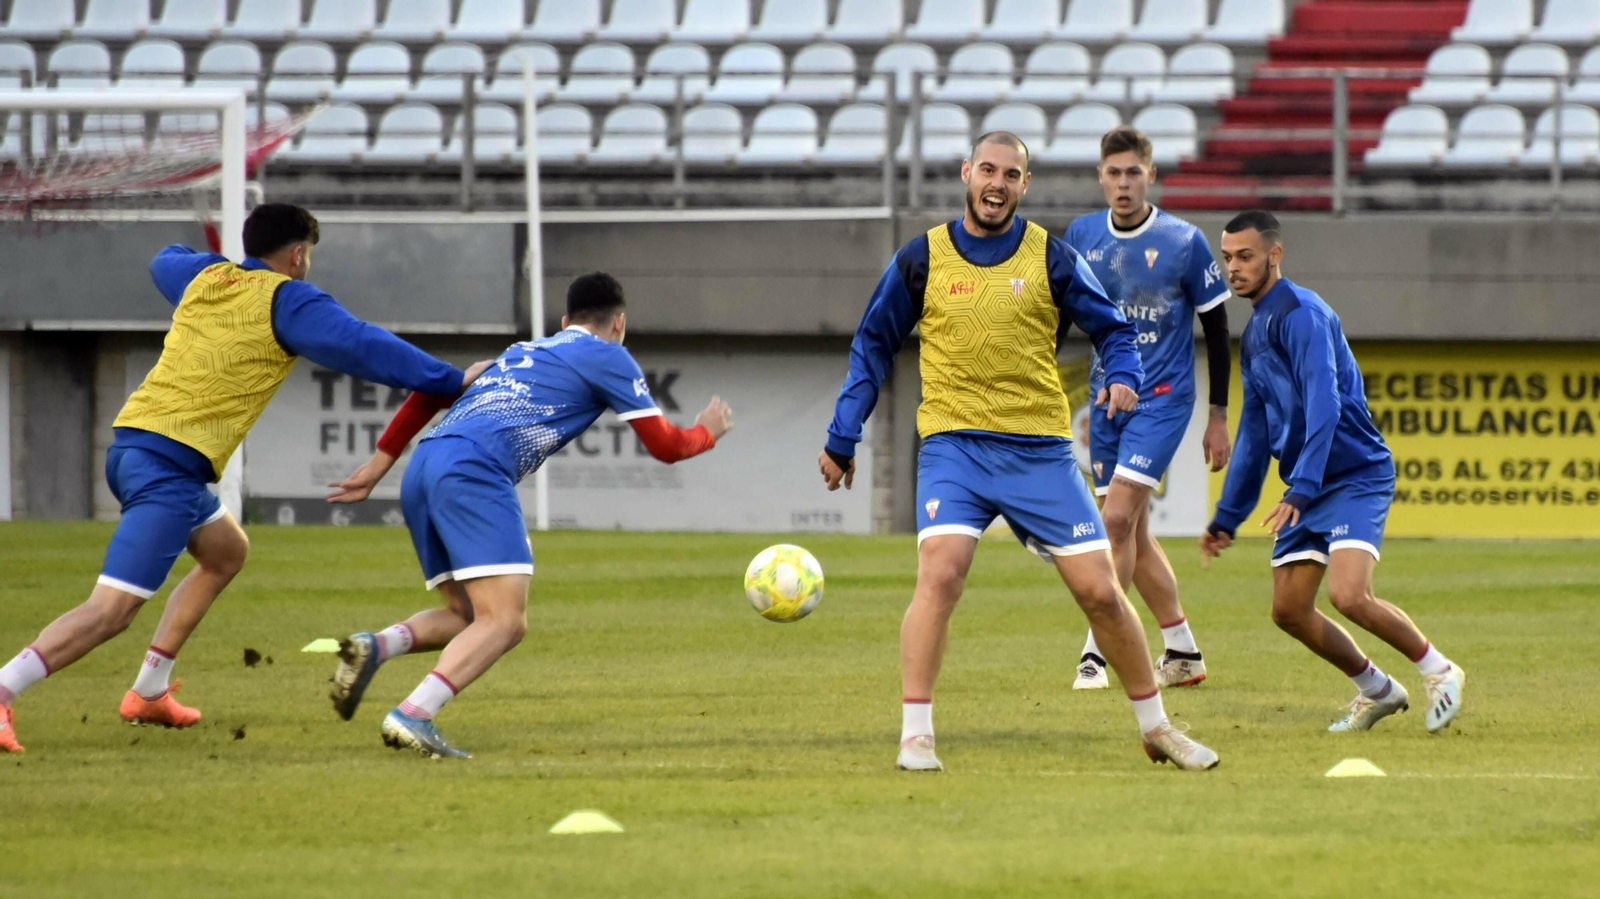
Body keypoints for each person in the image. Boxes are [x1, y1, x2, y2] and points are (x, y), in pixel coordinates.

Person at [0, 204, 481, 754]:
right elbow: (365, 345)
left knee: (226, 550)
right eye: (308, 256)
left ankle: (150, 690)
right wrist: (447, 379)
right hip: (169, 471)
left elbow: (165, 260)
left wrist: (221, 262)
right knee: (111, 610)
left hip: (131, 446)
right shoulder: (289, 299)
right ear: (298, 254)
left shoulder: (202, 276)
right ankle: (5, 690)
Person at [820, 131, 1220, 773]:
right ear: (965, 174)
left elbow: (1114, 327)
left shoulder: (1052, 257)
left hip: (1039, 450)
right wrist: (844, 435)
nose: (997, 184)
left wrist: (1125, 376)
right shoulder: (921, 258)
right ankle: (916, 735)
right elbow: (872, 344)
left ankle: (1156, 727)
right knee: (942, 572)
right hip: (955, 445)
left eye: (1011, 174)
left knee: (1100, 591)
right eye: (987, 170)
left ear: (1024, 186)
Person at [323, 272, 733, 759]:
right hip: (474, 471)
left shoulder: (520, 351)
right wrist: (706, 432)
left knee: (469, 616)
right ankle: (413, 714)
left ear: (564, 322)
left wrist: (380, 464)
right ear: (619, 323)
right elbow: (666, 445)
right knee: (506, 622)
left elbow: (435, 388)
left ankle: (377, 646)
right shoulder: (608, 355)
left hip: (424, 467)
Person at [1201, 211, 1466, 733]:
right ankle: (1378, 689)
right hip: (1309, 482)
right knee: (1289, 610)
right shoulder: (1255, 333)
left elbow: (1326, 402)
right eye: (1228, 257)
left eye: (1245, 256)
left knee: (1348, 595)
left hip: (1353, 474)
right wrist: (1227, 516)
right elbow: (1255, 432)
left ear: (1275, 256)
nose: (1233, 267)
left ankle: (1441, 671)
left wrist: (1301, 487)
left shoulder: (1302, 313)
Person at [1063, 126, 1235, 692]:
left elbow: (1216, 325)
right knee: (1132, 533)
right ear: (1100, 177)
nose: (1123, 183)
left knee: (1112, 519)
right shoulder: (1082, 236)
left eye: (1133, 172)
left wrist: (1217, 415)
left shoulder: (1184, 242)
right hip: (1106, 401)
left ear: (1150, 176)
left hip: (1163, 401)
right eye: (1113, 173)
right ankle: (1183, 651)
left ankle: (1096, 652)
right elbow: (1062, 316)